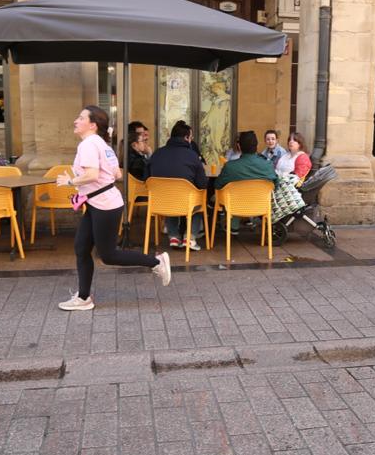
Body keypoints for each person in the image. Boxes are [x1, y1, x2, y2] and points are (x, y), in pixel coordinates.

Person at [56, 106, 171, 311]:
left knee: (108, 255)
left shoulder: (89, 145)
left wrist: (70, 181)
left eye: (80, 117)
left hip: (104, 205)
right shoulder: (101, 144)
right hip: (98, 202)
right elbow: (117, 174)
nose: (76, 121)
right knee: (81, 248)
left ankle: (156, 262)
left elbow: (92, 175)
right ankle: (84, 298)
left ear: (92, 125)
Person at [145, 120, 208, 251]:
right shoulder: (192, 156)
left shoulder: (157, 153)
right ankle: (189, 238)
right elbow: (202, 184)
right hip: (186, 202)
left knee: (170, 197)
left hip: (160, 202)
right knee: (198, 203)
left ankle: (173, 236)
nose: (191, 140)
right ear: (186, 138)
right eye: (190, 138)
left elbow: (146, 177)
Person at [215, 131, 278, 234]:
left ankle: (232, 226)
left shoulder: (230, 166)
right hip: (260, 205)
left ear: (239, 146)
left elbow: (217, 185)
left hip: (235, 205)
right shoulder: (267, 165)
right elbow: (276, 184)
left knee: (229, 194)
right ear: (257, 146)